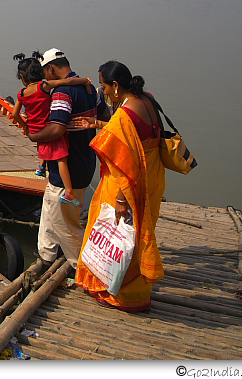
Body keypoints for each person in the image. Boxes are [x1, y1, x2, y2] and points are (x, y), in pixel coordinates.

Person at [71, 61, 165, 312]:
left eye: (103, 86)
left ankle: (119, 294)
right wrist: (99, 125)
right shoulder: (147, 100)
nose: (101, 91)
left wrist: (123, 199)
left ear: (115, 86)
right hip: (152, 177)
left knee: (117, 235)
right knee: (137, 233)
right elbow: (139, 135)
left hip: (126, 184)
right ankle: (136, 291)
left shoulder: (124, 115)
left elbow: (126, 162)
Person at [25, 48, 109, 274]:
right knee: (50, 207)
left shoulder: (63, 93)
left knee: (65, 222)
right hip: (86, 161)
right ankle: (47, 254)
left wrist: (33, 136)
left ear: (51, 68)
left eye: (45, 72)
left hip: (68, 166)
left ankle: (82, 267)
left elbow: (57, 128)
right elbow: (105, 117)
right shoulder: (91, 88)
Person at [11, 52, 94, 206]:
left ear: (23, 78)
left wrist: (26, 127)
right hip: (48, 129)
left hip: (35, 130)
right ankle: (69, 192)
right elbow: (67, 83)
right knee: (61, 158)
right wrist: (85, 81)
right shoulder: (44, 87)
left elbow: (15, 114)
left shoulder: (21, 94)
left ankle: (42, 167)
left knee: (48, 150)